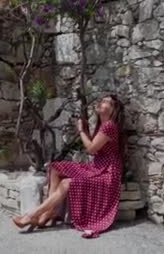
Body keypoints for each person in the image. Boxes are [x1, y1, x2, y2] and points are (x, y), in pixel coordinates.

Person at [12, 94, 125, 239]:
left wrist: (82, 131)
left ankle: (31, 216)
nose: (101, 103)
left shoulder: (109, 126)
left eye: (106, 102)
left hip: (107, 173)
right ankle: (49, 213)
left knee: (67, 182)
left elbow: (91, 149)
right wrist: (85, 130)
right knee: (55, 167)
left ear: (113, 109)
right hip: (97, 167)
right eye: (102, 101)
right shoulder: (102, 125)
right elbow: (95, 149)